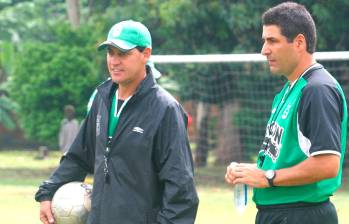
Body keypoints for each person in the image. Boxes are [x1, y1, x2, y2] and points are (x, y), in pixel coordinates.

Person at [35, 20, 199, 224]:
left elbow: (181, 191)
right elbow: (79, 157)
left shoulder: (165, 110)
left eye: (123, 54)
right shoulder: (102, 100)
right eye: (110, 53)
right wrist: (47, 192)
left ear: (146, 54)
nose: (114, 61)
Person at [225, 2, 347, 224]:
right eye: (264, 41)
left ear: (299, 42)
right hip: (280, 214)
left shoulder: (317, 89)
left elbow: (328, 164)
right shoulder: (287, 91)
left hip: (301, 215)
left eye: (272, 40)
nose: (264, 50)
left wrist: (268, 177)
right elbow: (285, 160)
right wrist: (250, 171)